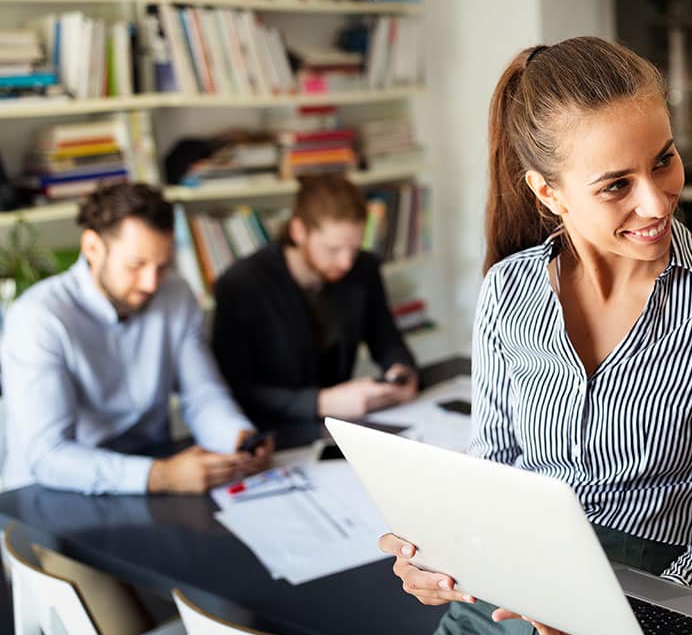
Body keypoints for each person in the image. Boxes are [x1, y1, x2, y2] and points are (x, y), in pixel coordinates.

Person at [378, 36, 692, 635]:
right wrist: (440, 550)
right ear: (548, 193)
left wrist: (631, 616)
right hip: (488, 629)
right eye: (615, 186)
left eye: (663, 159)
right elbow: (496, 468)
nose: (657, 202)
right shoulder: (508, 291)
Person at [2, 182, 273, 496]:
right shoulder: (38, 318)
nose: (150, 283)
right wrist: (161, 476)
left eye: (161, 266)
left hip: (145, 475)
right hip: (49, 493)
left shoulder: (177, 294)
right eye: (136, 265)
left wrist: (237, 439)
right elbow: (48, 455)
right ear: (92, 248)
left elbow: (203, 396)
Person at [212, 173, 418, 429]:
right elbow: (233, 389)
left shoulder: (363, 269)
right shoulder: (242, 284)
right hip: (273, 431)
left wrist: (399, 370)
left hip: (340, 425)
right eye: (333, 249)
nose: (346, 262)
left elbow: (386, 338)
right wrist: (321, 402)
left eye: (354, 248)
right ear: (299, 231)